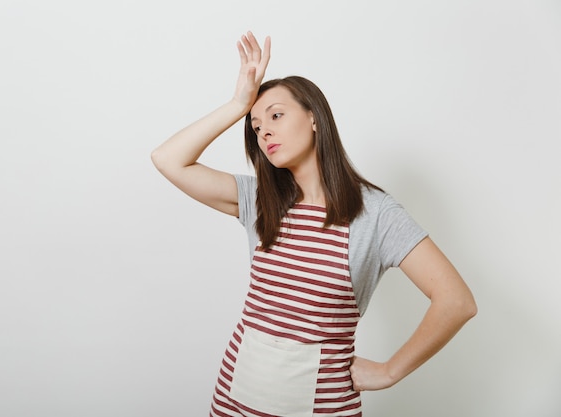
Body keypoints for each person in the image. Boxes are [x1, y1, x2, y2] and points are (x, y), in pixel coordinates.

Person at [151, 31, 477, 417]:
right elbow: (168, 158)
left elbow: (456, 302)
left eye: (276, 115)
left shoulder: (375, 214)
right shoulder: (258, 200)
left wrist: (390, 372)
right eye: (256, 127)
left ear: (314, 118)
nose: (264, 131)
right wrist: (238, 104)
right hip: (233, 402)